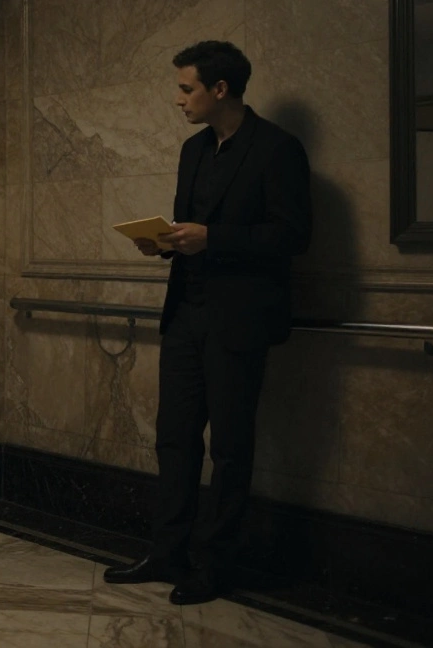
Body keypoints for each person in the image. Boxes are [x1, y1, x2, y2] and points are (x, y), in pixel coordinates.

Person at [103, 41, 312, 604]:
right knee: (173, 439)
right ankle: (166, 552)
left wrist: (213, 239)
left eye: (186, 88)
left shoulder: (277, 149)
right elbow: (187, 227)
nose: (178, 100)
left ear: (220, 90)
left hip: (239, 322)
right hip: (186, 315)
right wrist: (164, 244)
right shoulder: (195, 150)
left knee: (230, 449)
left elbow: (293, 236)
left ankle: (215, 564)